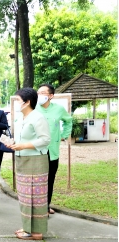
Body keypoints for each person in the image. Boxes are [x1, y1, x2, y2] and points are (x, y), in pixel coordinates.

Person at [7, 88, 51, 240]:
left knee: (36, 197)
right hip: (22, 160)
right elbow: (22, 139)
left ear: (27, 102)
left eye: (18, 100)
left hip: (35, 161)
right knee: (26, 197)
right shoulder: (21, 118)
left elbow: (45, 139)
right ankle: (28, 228)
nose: (16, 103)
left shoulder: (37, 117)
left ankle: (36, 232)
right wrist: (13, 144)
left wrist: (23, 146)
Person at [36, 83, 72, 214]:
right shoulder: (33, 108)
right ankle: (37, 207)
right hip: (36, 151)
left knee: (49, 180)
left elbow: (68, 121)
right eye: (38, 93)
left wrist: (63, 135)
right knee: (37, 181)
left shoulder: (58, 109)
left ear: (51, 96)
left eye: (43, 93)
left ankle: (46, 205)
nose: (39, 95)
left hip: (52, 151)